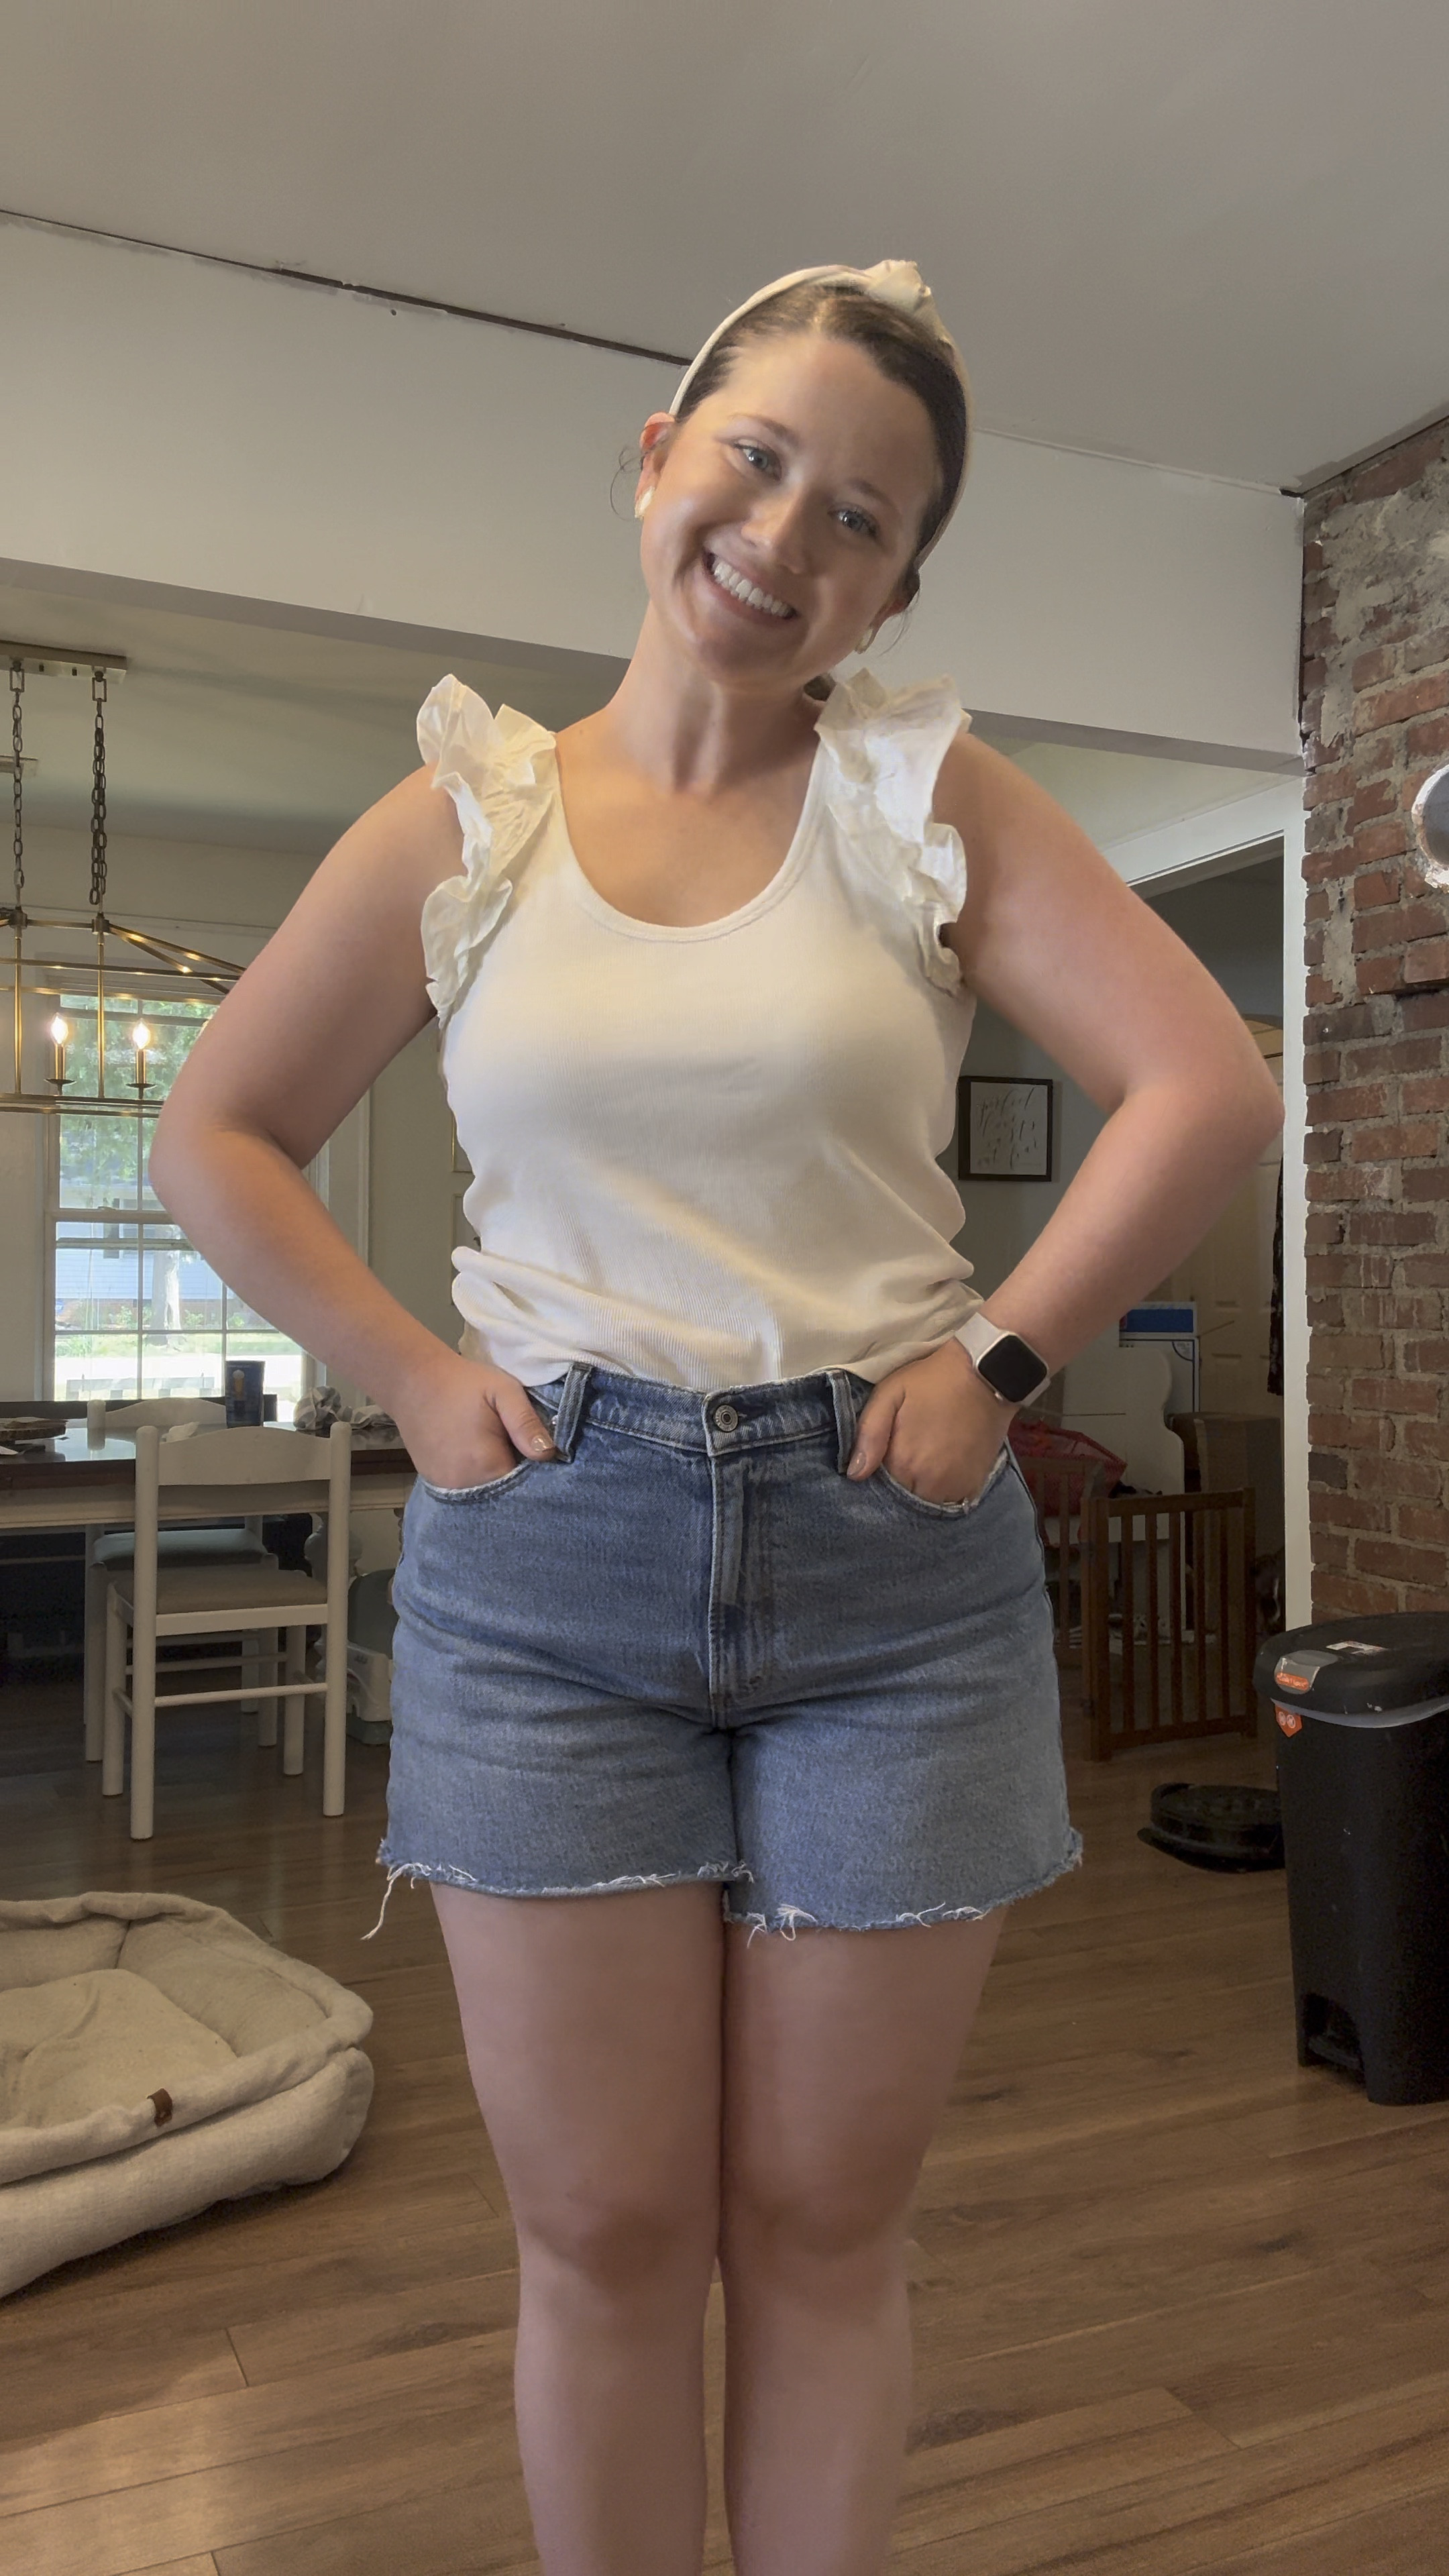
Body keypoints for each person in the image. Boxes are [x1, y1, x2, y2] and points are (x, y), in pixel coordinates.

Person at [152, 258, 1283, 2576]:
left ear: (897, 587)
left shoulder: (918, 799)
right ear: (657, 459)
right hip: (545, 1566)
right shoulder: (471, 815)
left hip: (895, 1570)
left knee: (821, 2223)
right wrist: (412, 1376)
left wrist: (1002, 1364)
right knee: (604, 2229)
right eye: (755, 461)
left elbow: (1206, 1087)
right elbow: (216, 1134)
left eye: (862, 517)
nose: (786, 537)